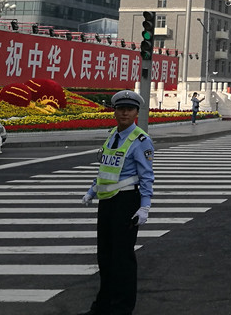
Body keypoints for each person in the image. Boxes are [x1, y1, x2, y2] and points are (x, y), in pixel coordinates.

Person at [80, 90, 154, 315]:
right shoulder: (112, 135)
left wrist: (145, 205)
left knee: (122, 258)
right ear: (114, 111)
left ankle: (121, 308)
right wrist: (92, 190)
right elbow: (105, 168)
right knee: (105, 256)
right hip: (107, 202)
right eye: (120, 109)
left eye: (129, 109)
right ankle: (103, 306)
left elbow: (147, 175)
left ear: (136, 113)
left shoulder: (141, 140)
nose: (124, 113)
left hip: (126, 202)